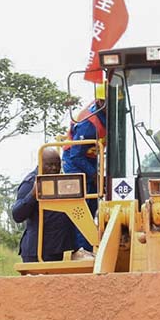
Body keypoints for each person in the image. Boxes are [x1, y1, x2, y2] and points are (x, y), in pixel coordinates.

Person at [12, 148, 79, 263]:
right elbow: (17, 215)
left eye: (57, 165)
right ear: (40, 163)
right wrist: (32, 195)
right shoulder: (30, 182)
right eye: (50, 165)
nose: (54, 168)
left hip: (59, 250)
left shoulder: (62, 181)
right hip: (38, 253)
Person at [62, 86, 107, 252]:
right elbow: (75, 155)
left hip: (91, 158)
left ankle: (91, 245)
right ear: (101, 102)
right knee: (83, 209)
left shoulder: (108, 116)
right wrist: (94, 174)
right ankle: (83, 249)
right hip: (75, 162)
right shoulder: (89, 124)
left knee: (94, 203)